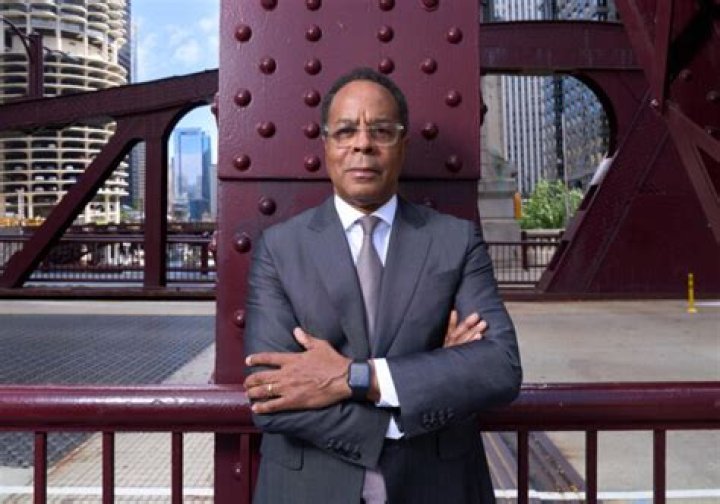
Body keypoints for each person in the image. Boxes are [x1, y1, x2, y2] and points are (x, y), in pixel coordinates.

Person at [243, 67, 522, 504]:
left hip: (436, 488)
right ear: (326, 145)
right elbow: (269, 394)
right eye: (345, 131)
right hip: (310, 490)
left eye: (381, 131)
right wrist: (428, 381)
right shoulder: (279, 248)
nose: (363, 144)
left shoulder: (455, 240)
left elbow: (498, 367)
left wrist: (355, 378)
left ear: (403, 145)